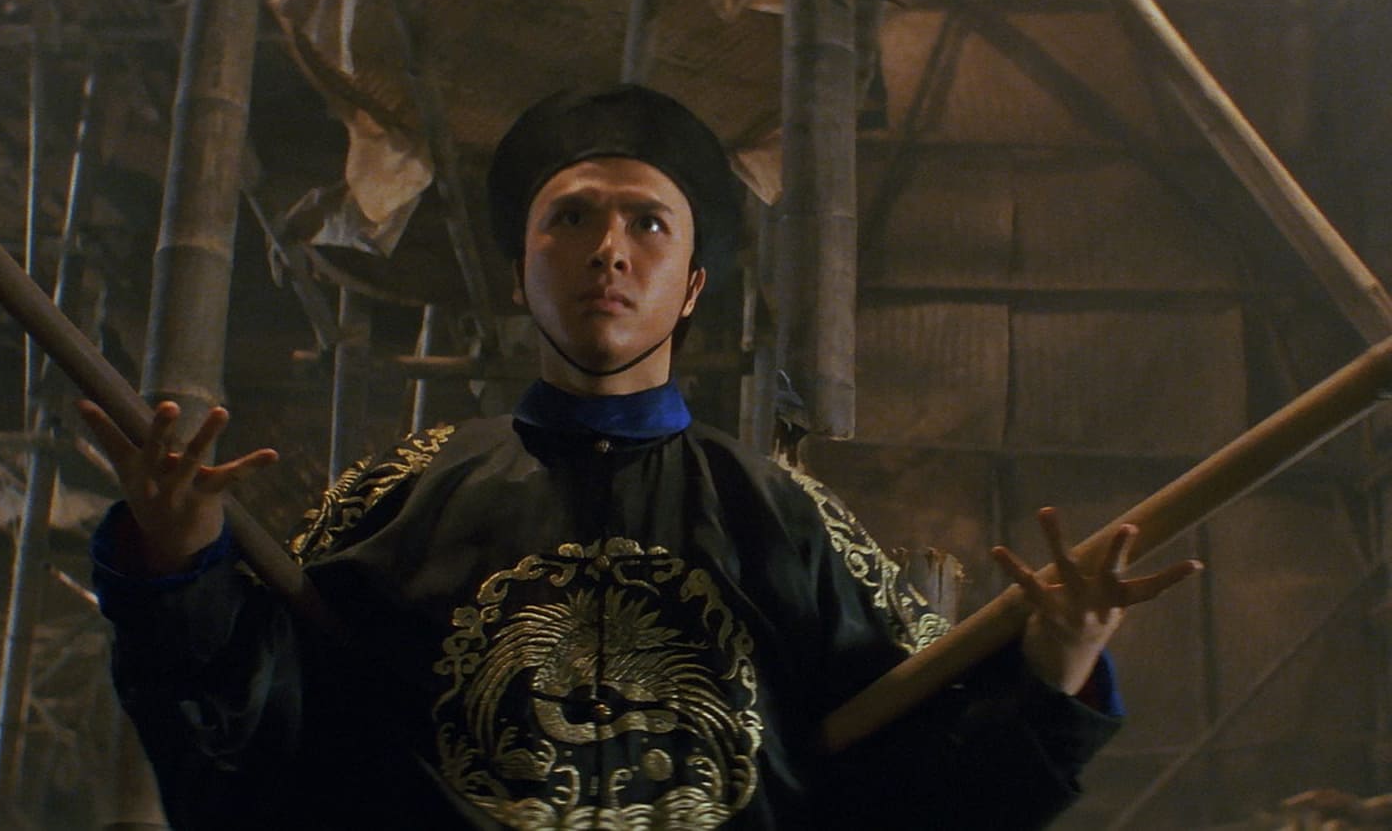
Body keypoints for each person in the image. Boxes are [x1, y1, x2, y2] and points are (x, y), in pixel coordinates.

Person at [79, 85, 1201, 829]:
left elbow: (924, 796)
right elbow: (250, 749)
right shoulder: (399, 500)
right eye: (569, 219)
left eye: (647, 223)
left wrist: (1055, 668)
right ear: (521, 270)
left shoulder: (786, 520)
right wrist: (176, 568)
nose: (608, 251)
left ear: (693, 285)